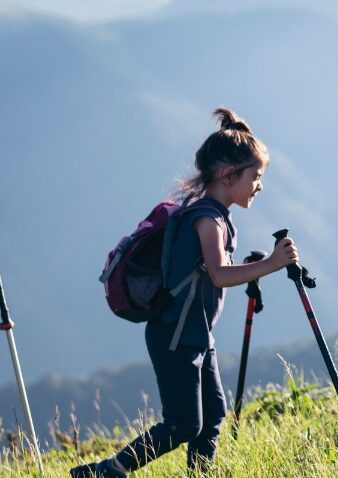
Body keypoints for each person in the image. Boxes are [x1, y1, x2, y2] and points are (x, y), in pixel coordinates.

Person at [71, 108, 298, 478]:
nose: (260, 185)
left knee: (212, 419)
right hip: (175, 335)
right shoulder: (208, 219)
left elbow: (204, 273)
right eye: (256, 177)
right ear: (228, 175)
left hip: (192, 333)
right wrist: (271, 263)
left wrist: (252, 267)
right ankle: (107, 470)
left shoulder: (209, 213)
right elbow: (220, 274)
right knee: (183, 424)